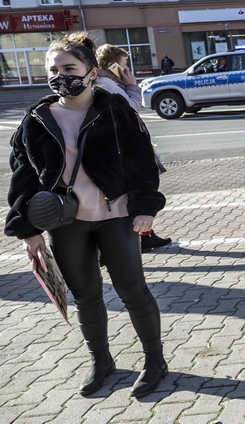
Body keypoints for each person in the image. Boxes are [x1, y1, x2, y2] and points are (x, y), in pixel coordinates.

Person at [5, 32, 169, 398]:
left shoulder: (115, 109)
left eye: (70, 68)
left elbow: (142, 161)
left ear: (92, 72)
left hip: (117, 215)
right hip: (65, 223)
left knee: (133, 291)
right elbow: (23, 176)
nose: (61, 76)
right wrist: (27, 229)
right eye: (54, 69)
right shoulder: (36, 119)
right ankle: (102, 361)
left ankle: (155, 361)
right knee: (86, 295)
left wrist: (145, 208)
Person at [96, 44, 172, 254]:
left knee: (136, 191)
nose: (128, 69)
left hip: (126, 145)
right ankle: (140, 238)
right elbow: (130, 109)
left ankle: (146, 235)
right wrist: (132, 86)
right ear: (112, 66)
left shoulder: (110, 82)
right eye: (124, 64)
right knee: (134, 191)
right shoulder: (106, 84)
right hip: (123, 149)